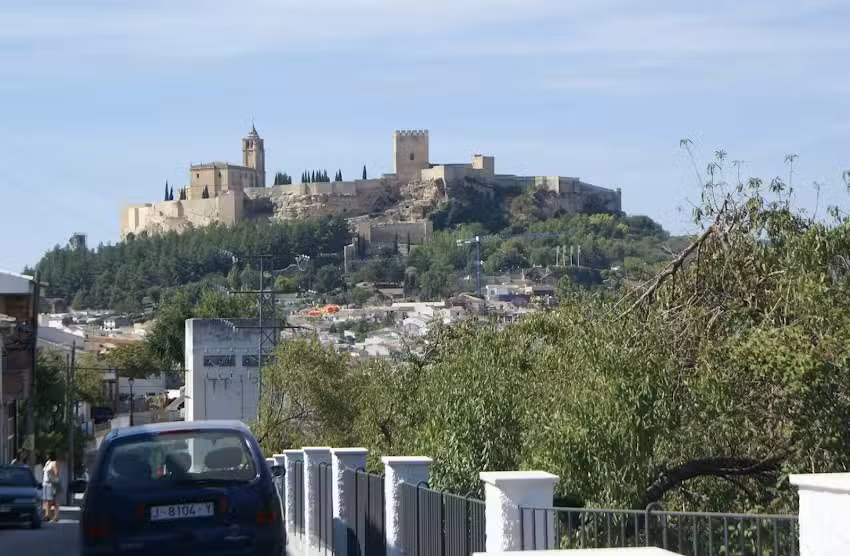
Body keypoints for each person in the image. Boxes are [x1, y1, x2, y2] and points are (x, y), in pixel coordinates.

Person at [42, 451, 60, 522]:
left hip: (51, 484)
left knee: (53, 501)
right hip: (45, 483)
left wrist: (55, 484)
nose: (47, 455)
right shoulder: (47, 463)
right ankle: (47, 516)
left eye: (48, 454)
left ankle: (56, 516)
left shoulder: (54, 463)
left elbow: (57, 474)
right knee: (46, 500)